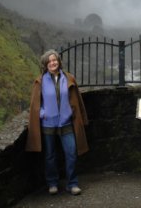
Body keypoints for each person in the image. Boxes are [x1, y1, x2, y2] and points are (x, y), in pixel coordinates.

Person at [26, 49, 89, 195]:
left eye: (55, 60)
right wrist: (43, 113)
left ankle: (72, 184)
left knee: (71, 152)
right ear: (45, 64)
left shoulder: (68, 78)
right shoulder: (40, 81)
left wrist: (72, 113)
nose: (53, 63)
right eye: (49, 61)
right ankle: (52, 183)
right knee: (50, 155)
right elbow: (35, 103)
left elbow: (76, 100)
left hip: (66, 122)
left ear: (59, 61)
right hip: (48, 123)